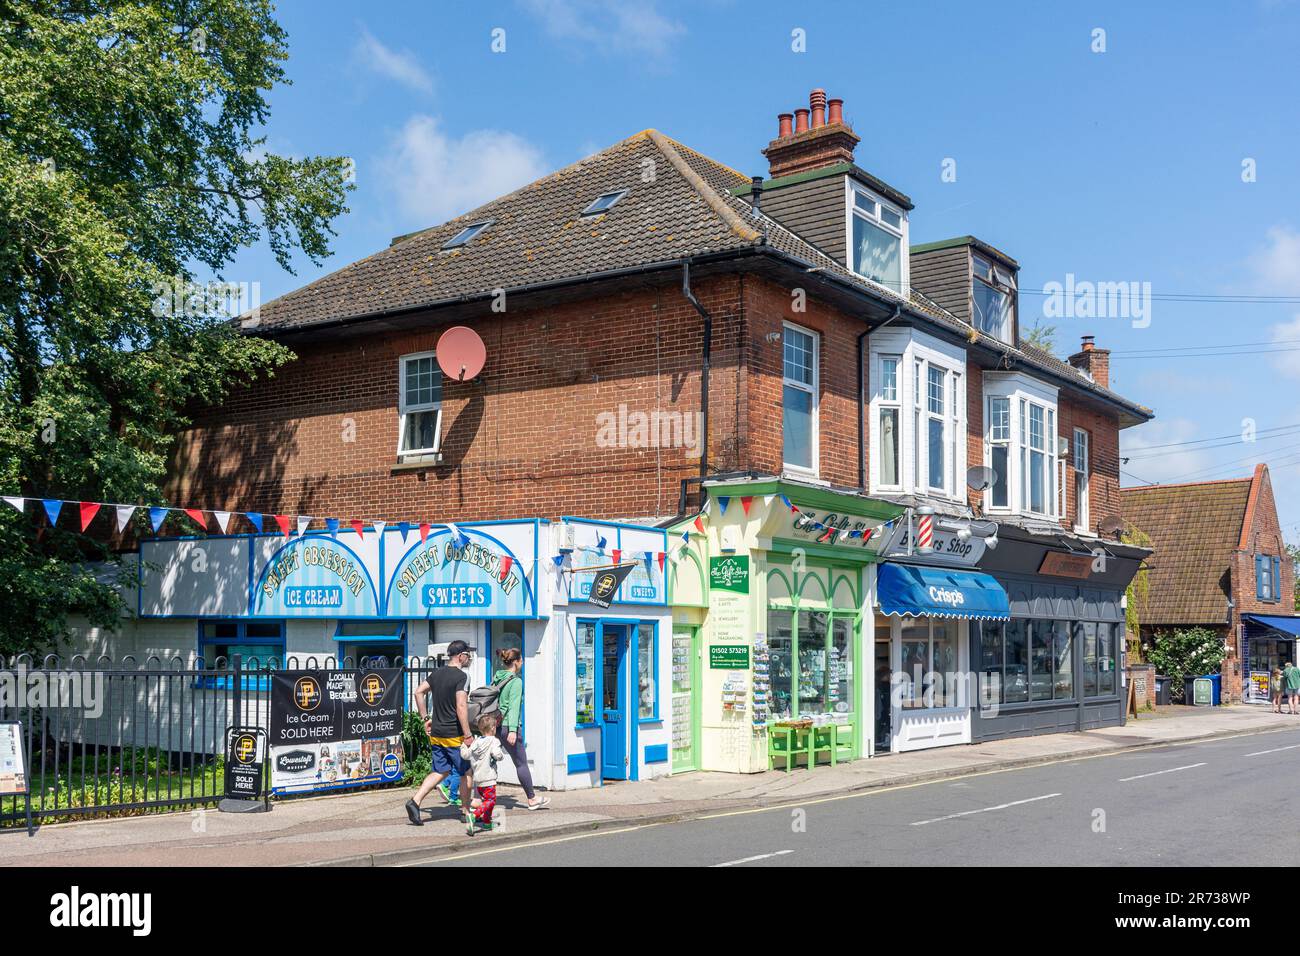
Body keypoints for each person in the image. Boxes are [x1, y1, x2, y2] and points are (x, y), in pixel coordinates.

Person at [405, 640, 475, 829]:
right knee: (466, 772)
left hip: (437, 732)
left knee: (441, 770)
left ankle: (415, 801)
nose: (469, 658)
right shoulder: (462, 676)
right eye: (468, 655)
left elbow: (418, 692)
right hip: (454, 734)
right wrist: (468, 734)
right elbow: (461, 706)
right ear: (460, 656)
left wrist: (425, 718)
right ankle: (466, 811)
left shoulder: (436, 673)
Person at [494, 647, 550, 810]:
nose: (523, 662)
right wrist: (512, 730)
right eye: (522, 660)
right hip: (507, 726)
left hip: (494, 725)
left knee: (488, 762)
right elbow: (514, 706)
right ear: (517, 662)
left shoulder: (498, 677)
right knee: (521, 763)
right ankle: (532, 799)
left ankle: (478, 798)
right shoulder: (516, 681)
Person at [460, 713, 507, 834]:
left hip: (478, 779)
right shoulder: (494, 741)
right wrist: (500, 756)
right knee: (490, 800)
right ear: (492, 728)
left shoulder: (476, 741)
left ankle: (486, 823)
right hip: (489, 778)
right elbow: (497, 754)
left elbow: (466, 755)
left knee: (487, 801)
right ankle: (474, 816)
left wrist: (463, 746)